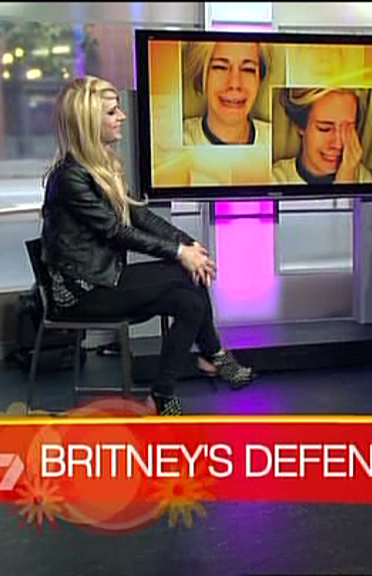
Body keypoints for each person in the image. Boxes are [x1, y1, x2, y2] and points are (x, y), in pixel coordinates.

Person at [41, 76, 255, 416]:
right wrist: (179, 253)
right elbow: (115, 231)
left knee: (189, 299)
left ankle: (163, 394)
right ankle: (213, 355)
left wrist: (187, 244)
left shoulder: (100, 166)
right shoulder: (70, 177)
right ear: (88, 122)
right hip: (82, 291)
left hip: (104, 278)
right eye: (112, 112)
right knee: (183, 274)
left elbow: (138, 214)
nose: (122, 117)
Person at [272, 88, 372, 184]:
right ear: (300, 126)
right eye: (325, 129)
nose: (338, 144)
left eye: (348, 130)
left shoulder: (364, 178)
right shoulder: (275, 179)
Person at [182, 41, 271, 146]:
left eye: (248, 69)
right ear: (201, 75)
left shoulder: (273, 140)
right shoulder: (174, 139)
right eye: (220, 67)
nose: (234, 84)